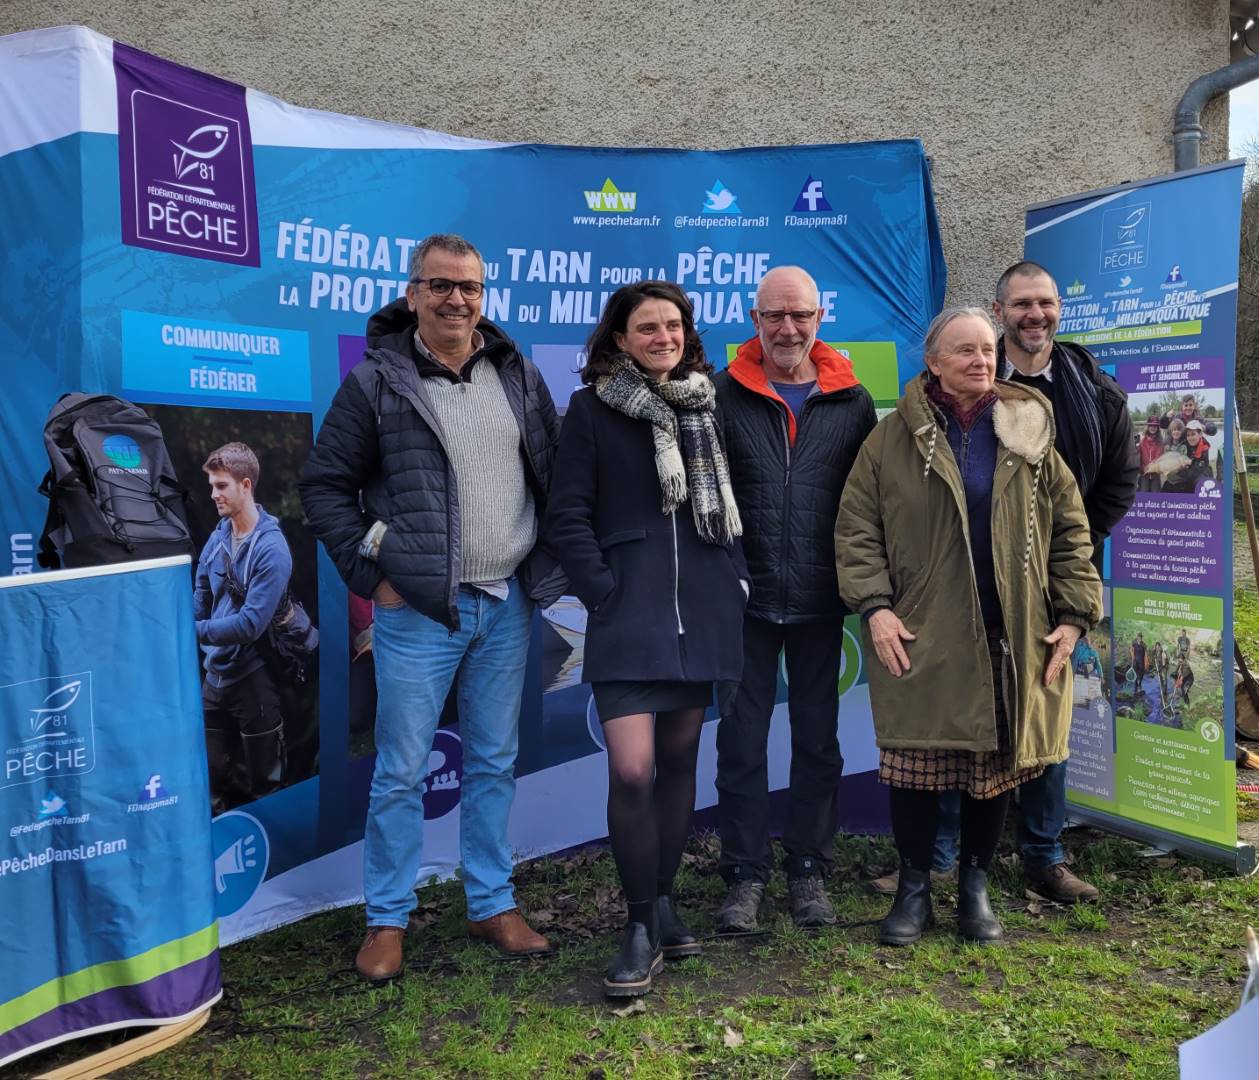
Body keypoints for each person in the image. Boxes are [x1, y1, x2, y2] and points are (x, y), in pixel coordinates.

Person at [299, 233, 562, 982]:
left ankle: (490, 901)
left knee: (493, 763)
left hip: (505, 604)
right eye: (440, 286)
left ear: (485, 295)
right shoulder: (376, 381)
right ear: (411, 293)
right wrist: (370, 573)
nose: (456, 300)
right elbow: (324, 486)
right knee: (401, 772)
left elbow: (553, 473)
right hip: (417, 611)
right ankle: (387, 918)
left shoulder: (517, 374)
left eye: (470, 288)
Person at [836, 307, 1101, 945]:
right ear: (932, 362)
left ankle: (975, 888)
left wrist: (1072, 616)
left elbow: (1070, 531)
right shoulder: (891, 436)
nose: (980, 361)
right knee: (915, 766)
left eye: (987, 350)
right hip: (922, 631)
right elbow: (857, 530)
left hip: (1012, 629)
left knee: (995, 767)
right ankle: (914, 888)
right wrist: (875, 609)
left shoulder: (1028, 429)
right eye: (964, 351)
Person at [544, 281, 747, 997]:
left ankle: (662, 902)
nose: (660, 336)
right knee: (631, 771)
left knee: (678, 763)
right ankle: (635, 925)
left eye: (671, 325)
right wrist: (603, 590)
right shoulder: (591, 410)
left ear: (685, 333)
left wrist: (736, 579)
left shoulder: (707, 403)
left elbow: (733, 507)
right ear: (620, 339)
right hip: (628, 617)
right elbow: (566, 514)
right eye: (645, 327)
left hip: (703, 612)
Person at [928, 262, 1135, 906]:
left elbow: (1116, 487)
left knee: (1047, 714)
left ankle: (1044, 855)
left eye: (1045, 302)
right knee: (958, 717)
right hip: (971, 584)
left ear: (1058, 309)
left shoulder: (1096, 392)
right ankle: (942, 857)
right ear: (999, 310)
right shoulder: (973, 387)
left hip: (1050, 584)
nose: (1034, 315)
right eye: (1021, 304)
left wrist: (1052, 555)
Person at [711, 265, 876, 932]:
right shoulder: (721, 394)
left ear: (818, 319)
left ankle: (809, 872)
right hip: (741, 601)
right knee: (741, 745)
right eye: (774, 316)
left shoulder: (852, 400)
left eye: (800, 316)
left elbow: (870, 502)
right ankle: (744, 877)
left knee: (818, 743)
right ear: (754, 320)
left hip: (819, 598)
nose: (787, 328)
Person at [194, 442, 291, 817]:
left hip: (255, 679)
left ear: (246, 485)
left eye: (221, 486)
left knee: (267, 788)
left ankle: (280, 870)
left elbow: (251, 624)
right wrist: (191, 622)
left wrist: (192, 630)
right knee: (209, 782)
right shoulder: (218, 536)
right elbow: (201, 590)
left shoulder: (272, 549)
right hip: (213, 678)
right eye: (212, 485)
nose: (213, 494)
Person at [1138, 415, 1165, 493]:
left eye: (1155, 426)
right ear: (1148, 426)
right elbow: (1137, 458)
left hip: (1155, 475)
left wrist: (1158, 469)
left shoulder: (1161, 443)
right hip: (1144, 475)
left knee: (1156, 497)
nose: (1153, 428)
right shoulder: (1142, 441)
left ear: (1158, 428)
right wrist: (1142, 468)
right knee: (1143, 495)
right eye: (1151, 425)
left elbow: (1162, 459)